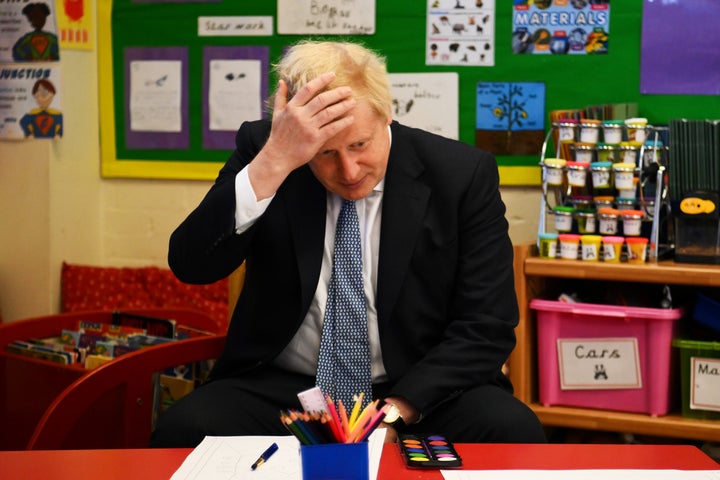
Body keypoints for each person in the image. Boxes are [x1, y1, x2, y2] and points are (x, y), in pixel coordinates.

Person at [150, 40, 545, 448]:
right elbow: (191, 264)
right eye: (324, 153)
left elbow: (487, 326)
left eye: (359, 144)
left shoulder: (461, 175)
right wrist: (275, 161)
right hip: (289, 388)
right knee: (182, 429)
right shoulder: (272, 152)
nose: (349, 170)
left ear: (387, 112)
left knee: (513, 430)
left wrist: (394, 411)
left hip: (415, 387)